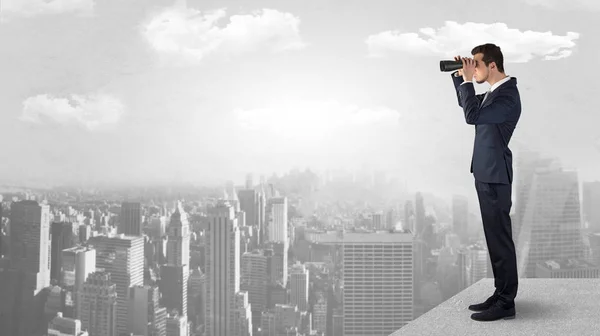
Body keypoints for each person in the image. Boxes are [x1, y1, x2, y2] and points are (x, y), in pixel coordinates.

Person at [450, 43, 521, 322]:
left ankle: (506, 302)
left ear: (492, 65)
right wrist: (459, 76)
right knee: (493, 240)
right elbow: (465, 104)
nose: (474, 69)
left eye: (476, 64)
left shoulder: (507, 97)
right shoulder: (493, 94)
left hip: (495, 177)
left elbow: (472, 117)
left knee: (500, 240)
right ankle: (499, 293)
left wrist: (468, 80)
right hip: (485, 174)